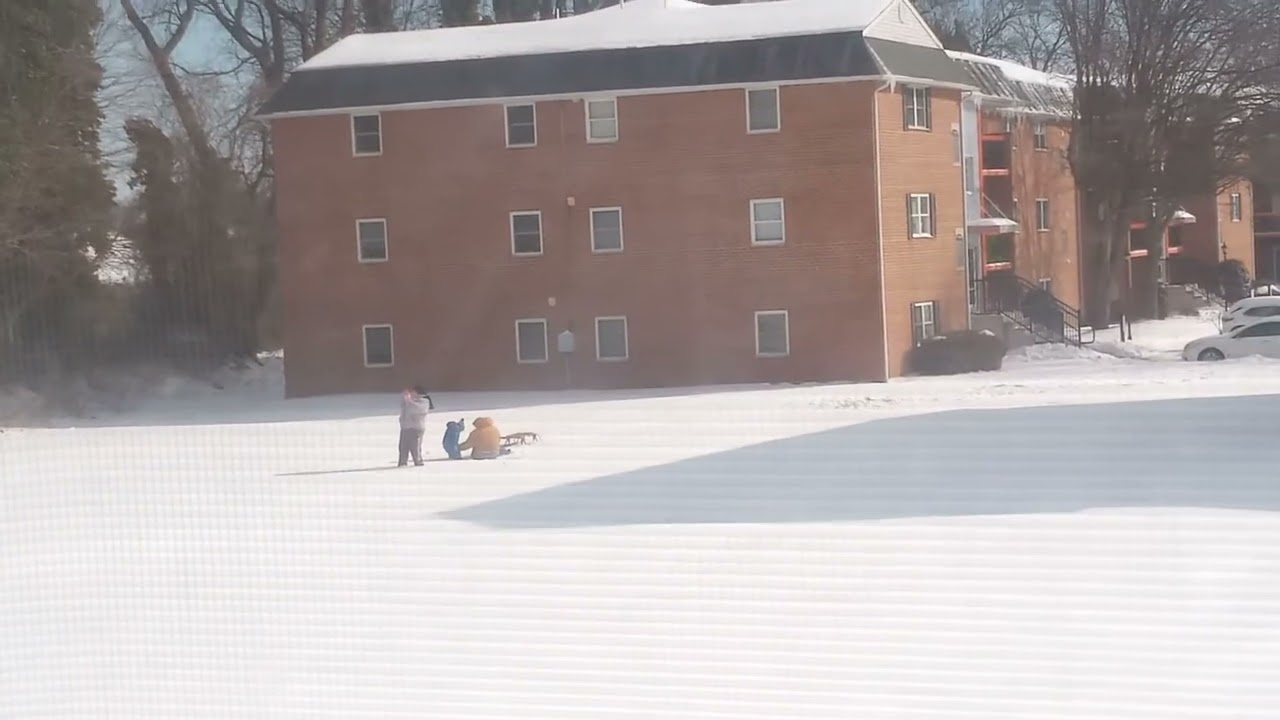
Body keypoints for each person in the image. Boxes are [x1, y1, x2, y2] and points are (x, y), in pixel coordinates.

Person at [397, 385, 433, 467]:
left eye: (413, 392)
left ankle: (418, 461)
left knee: (415, 447)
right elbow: (404, 407)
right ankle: (402, 462)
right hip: (405, 426)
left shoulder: (424, 401)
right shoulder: (409, 401)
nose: (411, 393)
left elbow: (415, 409)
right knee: (403, 446)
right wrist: (405, 398)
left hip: (416, 427)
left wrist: (408, 400)